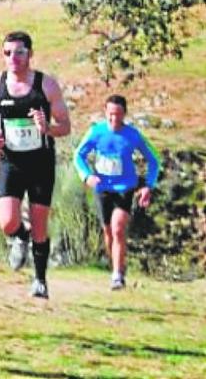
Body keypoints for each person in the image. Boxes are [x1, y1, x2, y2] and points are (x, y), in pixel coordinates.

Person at [0, 31, 71, 299]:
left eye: (19, 52)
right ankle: (20, 236)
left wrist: (47, 128)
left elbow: (65, 127)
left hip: (41, 163)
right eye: (8, 53)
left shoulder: (47, 85)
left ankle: (40, 281)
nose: (13, 58)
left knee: (40, 225)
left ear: (30, 54)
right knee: (7, 222)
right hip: (11, 161)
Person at [73, 95, 161, 290]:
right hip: (102, 188)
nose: (114, 119)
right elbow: (78, 155)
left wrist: (148, 185)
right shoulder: (96, 132)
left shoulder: (133, 135)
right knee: (108, 232)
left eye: (118, 114)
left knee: (118, 228)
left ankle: (117, 276)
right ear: (105, 112)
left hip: (124, 187)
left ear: (124, 114)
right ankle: (117, 265)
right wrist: (86, 176)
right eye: (111, 114)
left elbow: (154, 159)